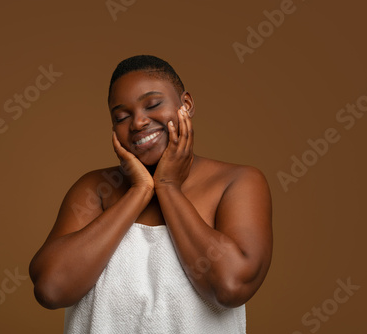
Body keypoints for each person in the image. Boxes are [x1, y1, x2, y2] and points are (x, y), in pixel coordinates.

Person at [29, 55, 273, 333]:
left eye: (153, 104)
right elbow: (51, 289)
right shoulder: (95, 188)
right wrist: (139, 191)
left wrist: (168, 187)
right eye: (121, 116)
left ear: (187, 105)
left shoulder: (237, 182)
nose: (138, 122)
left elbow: (231, 286)